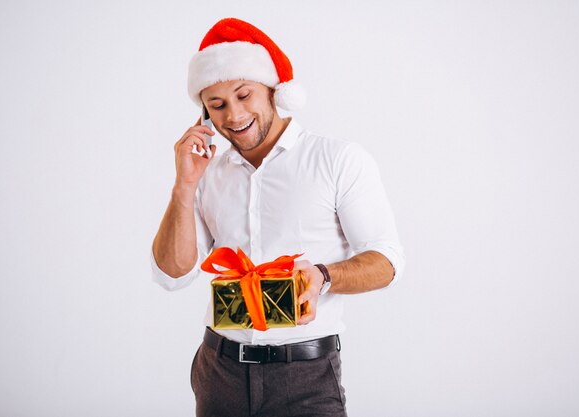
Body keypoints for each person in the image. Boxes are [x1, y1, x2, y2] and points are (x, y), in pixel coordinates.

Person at [150, 17, 405, 417]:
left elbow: (387, 262)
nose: (233, 115)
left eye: (243, 95)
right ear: (204, 115)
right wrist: (183, 186)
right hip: (219, 372)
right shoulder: (205, 173)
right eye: (217, 105)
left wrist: (323, 275)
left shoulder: (337, 159)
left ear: (273, 90)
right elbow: (172, 274)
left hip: (304, 377)